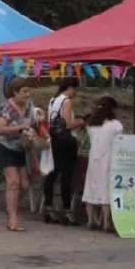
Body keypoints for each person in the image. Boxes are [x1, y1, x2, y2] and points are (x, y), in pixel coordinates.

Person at [0, 77, 35, 232]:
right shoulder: (7, 108)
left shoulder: (29, 106)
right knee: (14, 183)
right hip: (6, 148)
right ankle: (13, 219)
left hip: (21, 148)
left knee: (24, 185)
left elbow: (34, 122)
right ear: (15, 93)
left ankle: (11, 208)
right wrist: (19, 128)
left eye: (28, 91)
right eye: (24, 92)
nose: (27, 95)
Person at [42, 78, 86, 225]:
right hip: (67, 142)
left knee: (53, 172)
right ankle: (67, 210)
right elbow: (67, 124)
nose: (75, 93)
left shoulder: (53, 100)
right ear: (70, 88)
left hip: (55, 140)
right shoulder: (66, 101)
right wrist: (80, 122)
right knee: (67, 176)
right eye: (75, 90)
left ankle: (49, 207)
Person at [83, 97, 122, 232]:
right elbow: (120, 141)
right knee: (106, 189)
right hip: (109, 159)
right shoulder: (116, 125)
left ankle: (91, 221)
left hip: (94, 159)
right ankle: (106, 223)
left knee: (90, 188)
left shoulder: (91, 124)